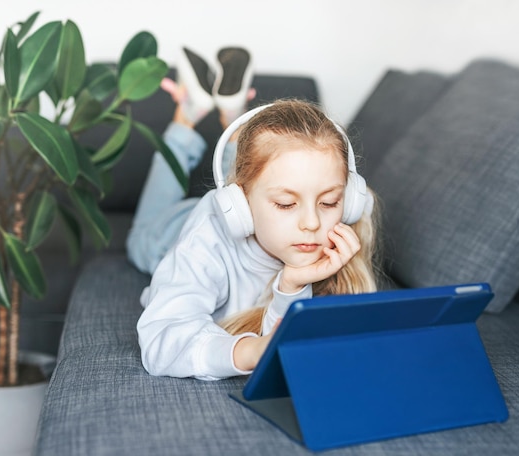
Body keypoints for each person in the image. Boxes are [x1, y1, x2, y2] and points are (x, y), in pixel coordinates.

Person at [126, 47, 380, 381]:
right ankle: (187, 115)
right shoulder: (209, 237)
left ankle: (233, 121)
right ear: (239, 205)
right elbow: (162, 341)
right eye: (287, 204)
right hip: (172, 231)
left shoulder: (334, 243)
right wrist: (249, 352)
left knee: (267, 164)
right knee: (139, 238)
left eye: (329, 202)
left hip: (250, 194)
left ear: (349, 201)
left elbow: (286, 342)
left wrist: (291, 286)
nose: (312, 224)